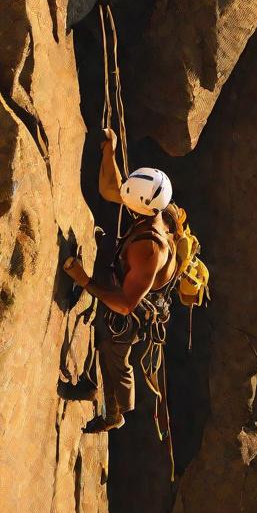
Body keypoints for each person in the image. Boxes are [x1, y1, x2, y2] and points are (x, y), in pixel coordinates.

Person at [61, 129, 178, 433]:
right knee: (102, 337)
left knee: (114, 351)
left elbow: (126, 305)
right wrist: (109, 152)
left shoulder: (150, 249)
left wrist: (85, 280)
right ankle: (90, 386)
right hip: (124, 277)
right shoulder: (151, 203)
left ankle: (116, 412)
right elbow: (111, 188)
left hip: (134, 304)